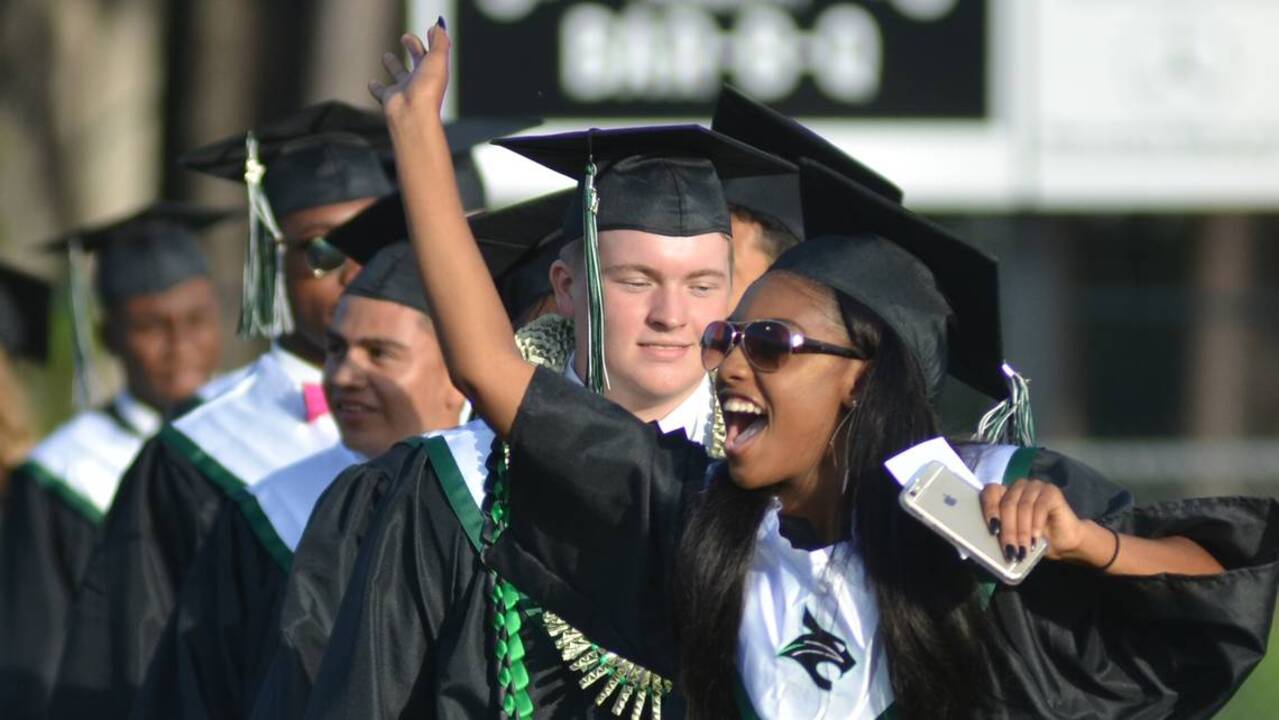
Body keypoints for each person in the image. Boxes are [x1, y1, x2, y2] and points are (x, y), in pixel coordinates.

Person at [371, 24, 1279, 720]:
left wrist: (1093, 548)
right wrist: (417, 136)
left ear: (862, 377)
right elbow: (491, 367)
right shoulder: (687, 514)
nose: (725, 361)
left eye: (770, 344)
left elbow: (1210, 596)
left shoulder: (977, 513)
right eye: (728, 336)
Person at [47, 102, 386, 718]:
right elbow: (134, 664)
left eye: (378, 239)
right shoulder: (197, 454)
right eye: (321, 251)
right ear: (271, 259)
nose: (354, 272)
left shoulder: (464, 423)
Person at [132, 241, 467, 719]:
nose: (345, 374)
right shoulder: (272, 510)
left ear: (456, 370)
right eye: (336, 349)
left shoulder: (497, 499)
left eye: (379, 353)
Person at [1, 205, 226, 720]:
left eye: (196, 320)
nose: (180, 345)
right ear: (109, 338)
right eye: (152, 327)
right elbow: (36, 660)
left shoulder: (254, 439)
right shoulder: (64, 474)